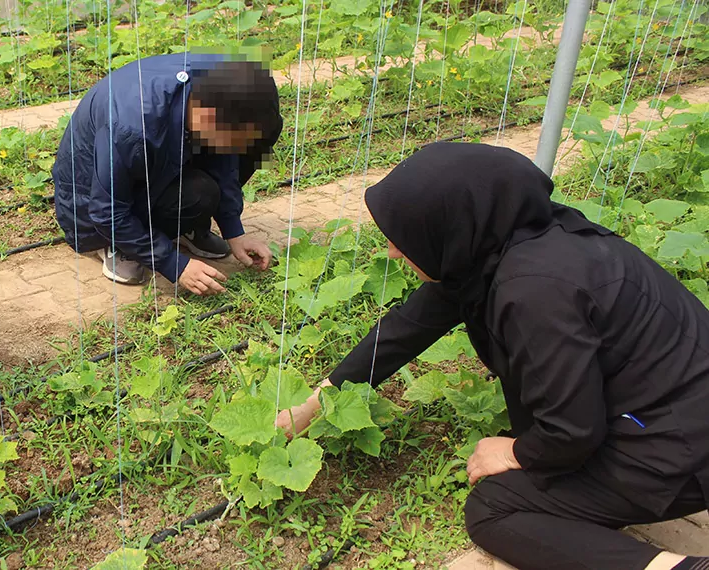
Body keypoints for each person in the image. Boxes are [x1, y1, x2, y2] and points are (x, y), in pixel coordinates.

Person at [275, 143, 709, 570]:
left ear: (450, 225)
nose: (392, 251)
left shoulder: (534, 291)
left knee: (495, 509)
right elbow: (404, 331)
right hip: (675, 407)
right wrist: (314, 404)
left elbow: (572, 430)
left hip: (680, 451)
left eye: (402, 238)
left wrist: (520, 453)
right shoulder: (517, 240)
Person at [52, 52, 283, 295]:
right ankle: (118, 244)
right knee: (193, 184)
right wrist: (174, 264)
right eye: (232, 140)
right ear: (205, 116)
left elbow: (225, 160)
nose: (236, 150)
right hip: (89, 205)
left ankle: (188, 225)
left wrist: (234, 231)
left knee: (228, 163)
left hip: (162, 157)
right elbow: (105, 209)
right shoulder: (132, 128)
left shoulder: (223, 87)